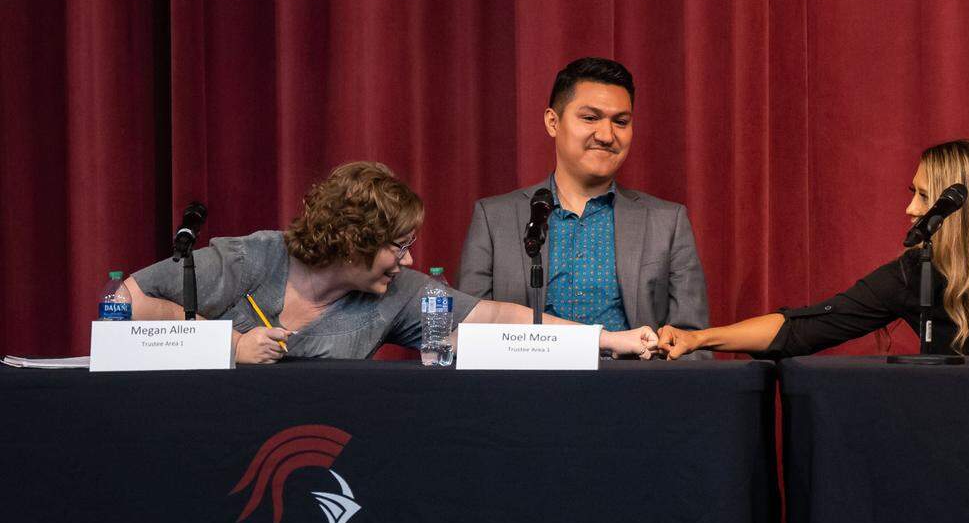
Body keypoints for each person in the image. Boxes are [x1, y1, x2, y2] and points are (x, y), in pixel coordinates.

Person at [126, 161, 658, 363]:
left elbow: (500, 317)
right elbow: (126, 301)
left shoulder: (397, 293)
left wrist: (609, 338)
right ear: (353, 240)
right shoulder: (251, 257)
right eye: (398, 245)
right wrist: (229, 344)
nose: (409, 258)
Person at [657, 139, 969, 358]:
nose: (909, 209)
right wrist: (701, 337)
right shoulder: (917, 270)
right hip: (953, 435)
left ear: (964, 205)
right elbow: (809, 325)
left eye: (924, 197)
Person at [458, 57, 710, 355]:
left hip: (634, 393)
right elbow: (470, 336)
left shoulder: (667, 222)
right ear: (553, 122)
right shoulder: (494, 218)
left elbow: (693, 345)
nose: (606, 135)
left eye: (621, 122)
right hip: (524, 394)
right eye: (590, 118)